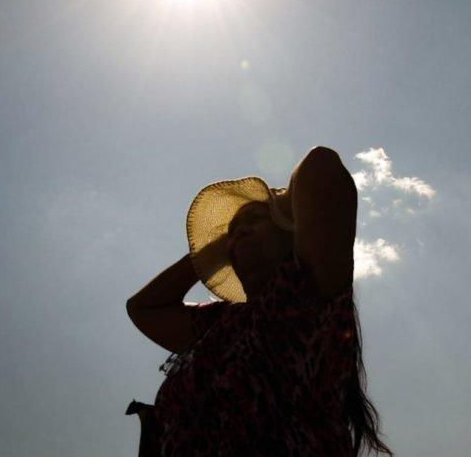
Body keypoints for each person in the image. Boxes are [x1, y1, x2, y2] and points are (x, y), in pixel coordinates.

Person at [126, 146, 392, 457]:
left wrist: (276, 207)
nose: (238, 234)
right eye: (231, 233)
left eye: (255, 220)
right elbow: (143, 308)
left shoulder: (305, 292)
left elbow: (321, 165)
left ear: (287, 227)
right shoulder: (216, 324)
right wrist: (213, 251)